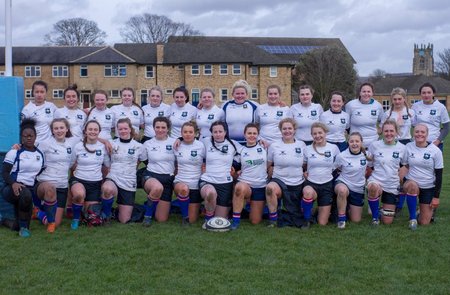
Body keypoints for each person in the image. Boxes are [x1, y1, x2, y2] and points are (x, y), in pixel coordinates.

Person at [2, 119, 44, 237]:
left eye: (31, 136)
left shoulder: (40, 154)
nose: (28, 138)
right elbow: (4, 173)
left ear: (35, 137)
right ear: (21, 137)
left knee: (17, 225)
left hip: (28, 191)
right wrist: (14, 183)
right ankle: (24, 229)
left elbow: (39, 172)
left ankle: (5, 222)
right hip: (11, 188)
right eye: (25, 136)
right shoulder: (14, 152)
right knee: (25, 195)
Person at [101, 118, 146, 224]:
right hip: (113, 177)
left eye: (125, 128)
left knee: (124, 220)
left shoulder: (139, 146)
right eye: (120, 129)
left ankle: (115, 211)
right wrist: (105, 141)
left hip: (129, 180)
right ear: (117, 130)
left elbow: (147, 162)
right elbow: (91, 137)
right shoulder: (111, 143)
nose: (123, 131)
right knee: (107, 189)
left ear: (130, 129)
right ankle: (106, 216)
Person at [35, 118, 77, 230]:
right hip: (45, 183)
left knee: (56, 222)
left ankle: (37, 212)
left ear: (67, 129)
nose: (59, 130)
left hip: (62, 186)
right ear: (52, 131)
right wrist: (17, 148)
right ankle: (44, 204)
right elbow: (31, 153)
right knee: (50, 188)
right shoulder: (45, 144)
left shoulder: (71, 144)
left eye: (62, 128)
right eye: (56, 128)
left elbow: (71, 163)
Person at [69, 120, 110, 230]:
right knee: (79, 194)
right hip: (79, 180)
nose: (93, 131)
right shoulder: (78, 146)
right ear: (85, 131)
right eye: (90, 129)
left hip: (95, 183)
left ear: (99, 132)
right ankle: (75, 219)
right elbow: (71, 164)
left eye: (95, 129)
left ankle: (83, 211)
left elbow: (107, 165)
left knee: (91, 216)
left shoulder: (102, 147)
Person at [265, 118, 306, 227]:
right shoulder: (274, 146)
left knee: (296, 212)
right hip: (279, 180)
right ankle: (273, 220)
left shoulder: (302, 145)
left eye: (289, 128)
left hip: (297, 182)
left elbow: (305, 164)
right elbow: (268, 164)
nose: (287, 131)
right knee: (270, 188)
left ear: (294, 130)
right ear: (280, 130)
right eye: (284, 129)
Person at [381, 87, 415, 213]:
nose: (397, 101)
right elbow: (383, 130)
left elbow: (416, 127)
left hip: (406, 143)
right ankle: (392, 200)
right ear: (392, 100)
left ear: (404, 99)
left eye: (399, 99)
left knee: (404, 175)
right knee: (393, 173)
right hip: (392, 144)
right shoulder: (388, 114)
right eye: (394, 99)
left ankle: (400, 204)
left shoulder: (411, 112)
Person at [366, 120, 407, 226]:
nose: (389, 133)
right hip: (377, 181)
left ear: (396, 132)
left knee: (387, 221)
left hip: (392, 184)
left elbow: (405, 166)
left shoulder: (402, 148)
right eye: (386, 131)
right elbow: (369, 166)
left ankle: (380, 209)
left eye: (391, 131)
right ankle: (375, 218)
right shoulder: (374, 145)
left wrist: (401, 181)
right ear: (382, 132)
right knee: (373, 188)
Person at [199, 121, 239, 227]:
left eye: (220, 131)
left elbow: (247, 152)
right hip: (208, 180)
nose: (217, 134)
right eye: (215, 131)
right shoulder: (205, 141)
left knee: (219, 220)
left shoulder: (233, 144)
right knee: (210, 193)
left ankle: (209, 209)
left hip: (225, 183)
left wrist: (236, 168)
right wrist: (179, 139)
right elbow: (190, 143)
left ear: (225, 132)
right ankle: (207, 220)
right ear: (211, 133)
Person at [403, 124, 443, 229]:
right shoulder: (408, 147)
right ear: (413, 133)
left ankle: (419, 211)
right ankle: (412, 219)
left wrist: (436, 197)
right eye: (417, 132)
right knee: (412, 186)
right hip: (411, 182)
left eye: (422, 132)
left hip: (428, 187)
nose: (419, 134)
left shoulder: (435, 151)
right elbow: (404, 166)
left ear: (427, 134)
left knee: (424, 222)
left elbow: (439, 175)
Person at [301, 122, 340, 227]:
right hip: (311, 183)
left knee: (322, 223)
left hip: (327, 184)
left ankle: (315, 210)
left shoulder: (334, 148)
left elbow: (339, 165)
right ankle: (306, 219)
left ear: (325, 133)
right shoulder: (307, 149)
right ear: (312, 135)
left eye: (320, 133)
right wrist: (303, 172)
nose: (317, 136)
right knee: (308, 193)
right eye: (314, 134)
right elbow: (303, 165)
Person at [231, 123, 268, 230]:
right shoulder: (241, 150)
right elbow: (235, 166)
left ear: (258, 135)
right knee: (239, 188)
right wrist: (234, 170)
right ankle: (235, 220)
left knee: (255, 221)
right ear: (244, 135)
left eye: (254, 133)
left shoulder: (265, 147)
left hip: (260, 186)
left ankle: (249, 209)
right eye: (249, 133)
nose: (252, 136)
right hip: (245, 184)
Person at [142, 117, 176, 226]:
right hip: (151, 176)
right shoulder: (147, 143)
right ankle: (147, 217)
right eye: (157, 127)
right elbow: (140, 160)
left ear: (168, 129)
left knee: (161, 219)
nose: (160, 130)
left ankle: (150, 202)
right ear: (153, 128)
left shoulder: (175, 142)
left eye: (163, 127)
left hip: (168, 179)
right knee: (157, 188)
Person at [334, 132, 371, 229]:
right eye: (351, 141)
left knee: (356, 220)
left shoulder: (367, 156)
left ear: (361, 143)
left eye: (357, 141)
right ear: (348, 143)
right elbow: (333, 169)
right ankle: (341, 219)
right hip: (343, 183)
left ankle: (346, 206)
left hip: (358, 188)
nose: (354, 143)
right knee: (342, 191)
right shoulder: (342, 156)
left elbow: (373, 168)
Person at [173, 122, 205, 225]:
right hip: (181, 181)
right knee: (184, 189)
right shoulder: (177, 145)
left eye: (190, 132)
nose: (187, 134)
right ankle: (185, 217)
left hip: (196, 184)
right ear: (181, 133)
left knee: (193, 219)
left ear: (195, 133)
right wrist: (179, 139)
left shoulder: (201, 145)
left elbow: (206, 163)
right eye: (185, 132)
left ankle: (198, 208)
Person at [412, 82, 449, 151]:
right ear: (420, 94)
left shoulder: (440, 107)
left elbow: (446, 128)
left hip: (435, 144)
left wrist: (437, 141)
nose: (426, 95)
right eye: (424, 93)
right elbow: (413, 125)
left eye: (429, 92)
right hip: (417, 143)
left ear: (433, 94)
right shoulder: (415, 106)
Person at [345, 82, 383, 147]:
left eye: (369, 91)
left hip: (373, 142)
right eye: (364, 91)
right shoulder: (350, 105)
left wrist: (380, 130)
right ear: (360, 93)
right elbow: (346, 123)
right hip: (355, 143)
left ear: (372, 93)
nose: (366, 94)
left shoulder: (378, 106)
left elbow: (382, 120)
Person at [222, 80, 259, 144]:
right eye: (237, 93)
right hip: (230, 143)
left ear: (246, 94)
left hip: (248, 143)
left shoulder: (254, 105)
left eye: (242, 93)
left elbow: (261, 120)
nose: (240, 96)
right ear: (233, 94)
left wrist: (279, 105)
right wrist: (202, 105)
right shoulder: (225, 105)